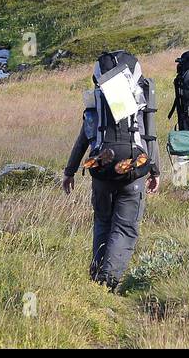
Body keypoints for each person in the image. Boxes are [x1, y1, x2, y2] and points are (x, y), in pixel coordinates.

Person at [62, 52, 160, 289]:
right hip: (133, 169)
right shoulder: (141, 97)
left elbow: (84, 138)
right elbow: (150, 137)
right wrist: (155, 171)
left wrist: (70, 171)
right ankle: (108, 282)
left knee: (103, 223)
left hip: (101, 170)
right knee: (125, 227)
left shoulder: (97, 99)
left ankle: (96, 279)